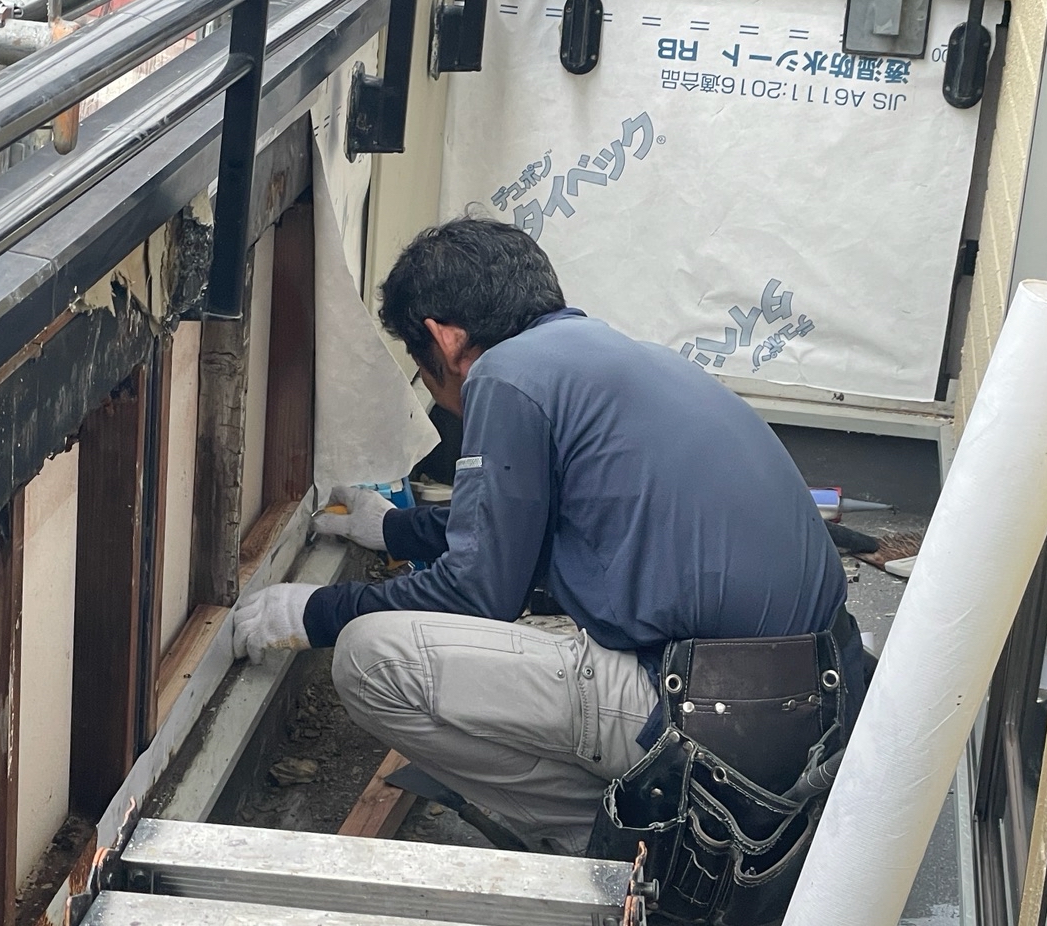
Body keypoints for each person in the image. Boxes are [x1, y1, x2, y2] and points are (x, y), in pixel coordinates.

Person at [230, 217, 862, 857]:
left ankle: (625, 840)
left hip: (718, 721)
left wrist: (315, 611)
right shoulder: (602, 355)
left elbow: (478, 593)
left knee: (369, 659)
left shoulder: (503, 377)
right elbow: (519, 519)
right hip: (811, 699)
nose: (438, 397)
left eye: (423, 370)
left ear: (445, 340)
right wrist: (395, 529)